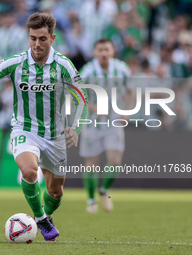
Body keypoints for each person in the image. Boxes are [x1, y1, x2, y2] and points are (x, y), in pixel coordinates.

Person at [0, 12, 88, 241]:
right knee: (30, 171)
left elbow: (82, 97)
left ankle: (47, 216)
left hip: (55, 135)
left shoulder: (64, 66)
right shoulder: (16, 63)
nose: (37, 44)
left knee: (55, 191)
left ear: (52, 38)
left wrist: (76, 127)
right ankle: (40, 219)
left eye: (42, 39)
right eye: (32, 38)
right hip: (25, 128)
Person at [79, 38, 132, 213]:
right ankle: (91, 199)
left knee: (115, 161)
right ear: (94, 52)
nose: (103, 53)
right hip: (92, 123)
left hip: (114, 121)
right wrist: (93, 107)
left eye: (106, 49)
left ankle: (104, 190)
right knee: (91, 163)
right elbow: (75, 97)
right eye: (100, 50)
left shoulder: (122, 70)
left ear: (112, 51)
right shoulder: (87, 72)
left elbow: (130, 92)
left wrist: (127, 111)